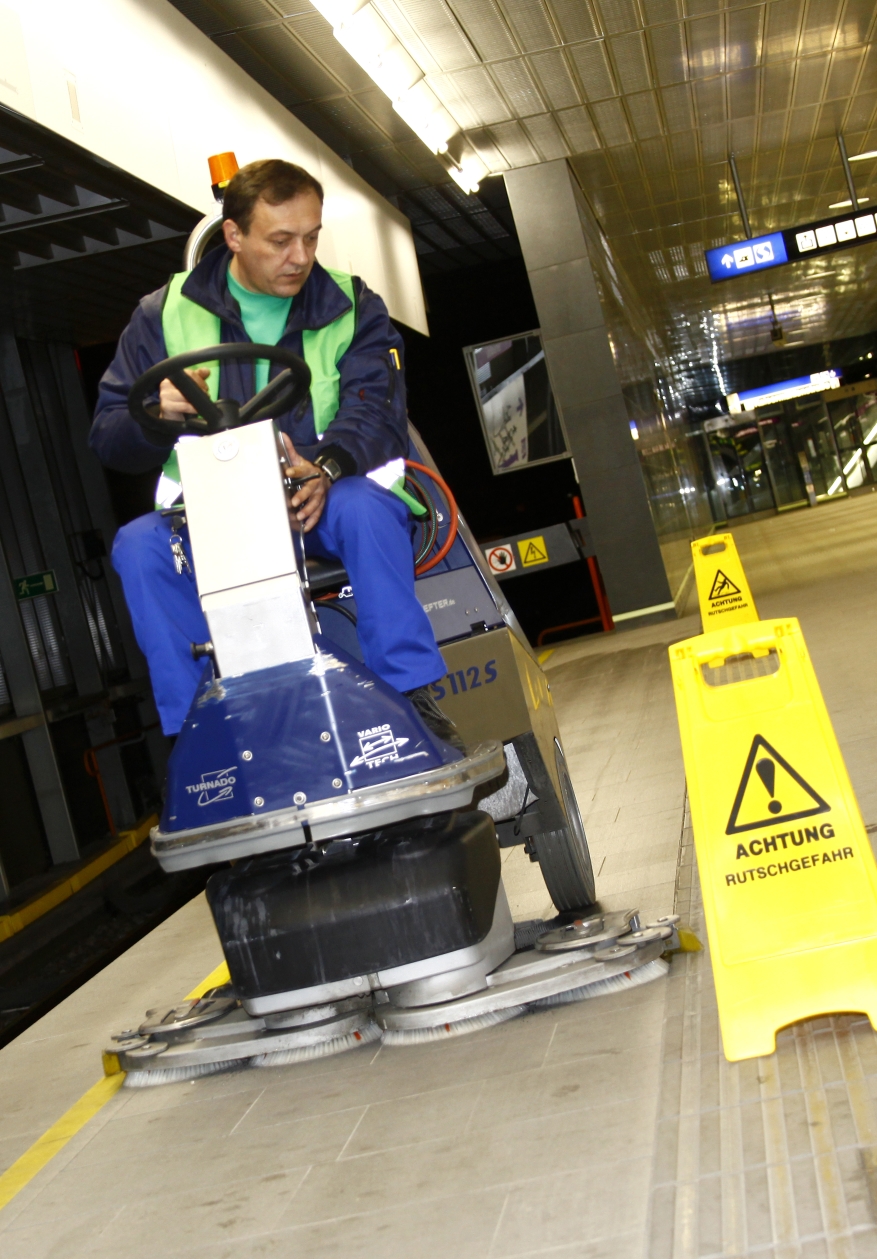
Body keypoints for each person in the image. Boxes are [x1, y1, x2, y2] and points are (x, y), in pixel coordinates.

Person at [90, 158, 461, 749]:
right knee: (138, 548)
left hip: (319, 501)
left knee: (367, 508)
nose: (300, 257)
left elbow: (377, 410)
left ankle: (410, 695)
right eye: (281, 240)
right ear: (234, 235)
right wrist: (157, 416)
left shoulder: (350, 305)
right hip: (213, 518)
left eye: (311, 238)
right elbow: (110, 435)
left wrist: (327, 468)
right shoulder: (163, 313)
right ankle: (200, 735)